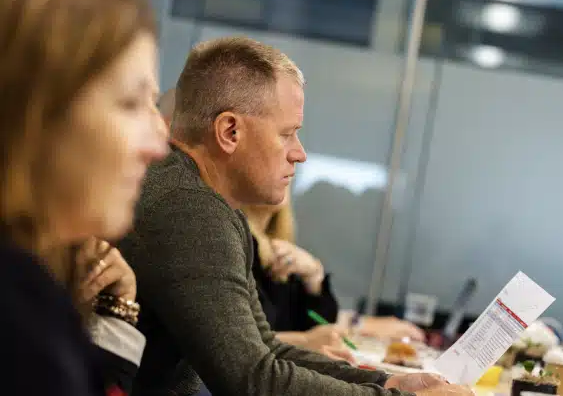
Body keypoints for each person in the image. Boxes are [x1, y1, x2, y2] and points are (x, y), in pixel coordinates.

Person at [119, 37, 472, 396]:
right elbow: (253, 380)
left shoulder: (211, 205)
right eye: (287, 134)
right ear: (230, 131)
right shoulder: (190, 208)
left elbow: (265, 347)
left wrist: (386, 381)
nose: (299, 154)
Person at [0, 0, 169, 396]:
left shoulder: (41, 291)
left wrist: (118, 307)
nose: (159, 143)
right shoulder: (17, 322)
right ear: (36, 112)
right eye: (132, 104)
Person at [243, 196, 426, 358]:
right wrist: (305, 340)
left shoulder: (279, 252)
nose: (295, 158)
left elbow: (313, 322)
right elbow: (241, 339)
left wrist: (314, 277)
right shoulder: (237, 246)